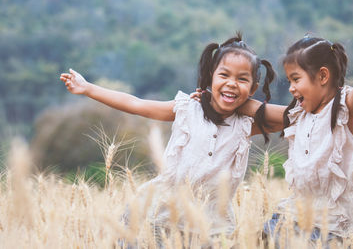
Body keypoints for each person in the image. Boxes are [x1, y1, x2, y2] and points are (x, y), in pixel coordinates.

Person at [60, 33, 283, 247]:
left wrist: (250, 105)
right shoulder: (187, 109)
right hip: (162, 218)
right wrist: (88, 88)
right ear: (210, 77)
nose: (232, 83)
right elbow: (136, 104)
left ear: (254, 88)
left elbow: (292, 117)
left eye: (242, 79)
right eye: (224, 75)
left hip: (212, 227)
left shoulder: (245, 125)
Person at [230, 36, 353, 247]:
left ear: (322, 76)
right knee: (264, 237)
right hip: (302, 210)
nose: (291, 87)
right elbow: (258, 110)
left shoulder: (342, 109)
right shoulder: (299, 114)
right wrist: (222, 97)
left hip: (338, 220)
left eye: (296, 79)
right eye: (289, 81)